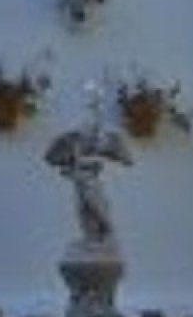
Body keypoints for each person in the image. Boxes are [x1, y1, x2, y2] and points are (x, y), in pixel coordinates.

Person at [44, 103, 132, 246]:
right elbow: (53, 159)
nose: (87, 126)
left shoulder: (105, 139)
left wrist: (93, 159)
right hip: (79, 182)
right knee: (82, 209)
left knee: (95, 203)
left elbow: (126, 159)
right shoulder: (72, 140)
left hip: (90, 181)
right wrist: (69, 164)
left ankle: (107, 232)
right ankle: (91, 237)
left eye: (92, 123)